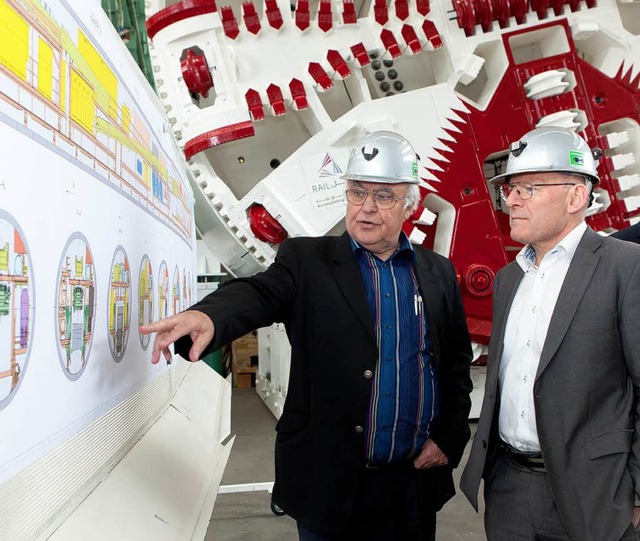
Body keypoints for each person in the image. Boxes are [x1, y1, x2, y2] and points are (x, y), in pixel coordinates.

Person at [140, 130, 473, 540]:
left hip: (412, 486)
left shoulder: (437, 271)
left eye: (384, 196)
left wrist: (449, 438)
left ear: (411, 203)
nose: (366, 208)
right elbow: (261, 292)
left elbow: (454, 365)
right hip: (330, 484)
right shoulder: (307, 261)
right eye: (357, 192)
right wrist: (211, 316)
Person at [460, 126, 640, 541]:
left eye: (529, 188)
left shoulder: (626, 268)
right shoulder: (509, 279)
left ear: (576, 197)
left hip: (595, 492)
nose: (512, 200)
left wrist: (635, 494)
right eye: (509, 189)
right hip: (508, 488)